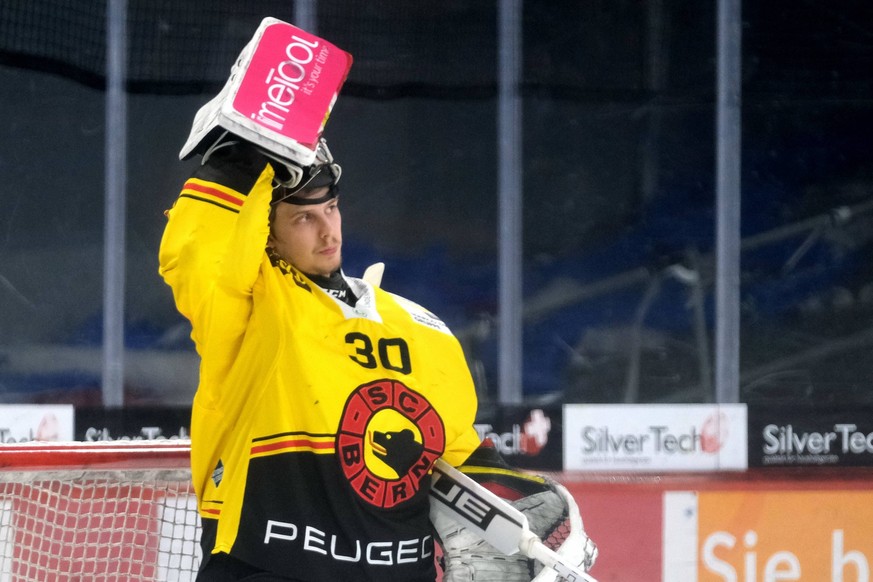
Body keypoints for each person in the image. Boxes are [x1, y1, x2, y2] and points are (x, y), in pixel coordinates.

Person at [160, 131, 594, 581]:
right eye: (303, 218)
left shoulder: (421, 327)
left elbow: (454, 452)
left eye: (331, 208)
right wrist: (242, 158)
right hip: (268, 567)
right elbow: (201, 257)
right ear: (266, 237)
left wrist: (510, 498)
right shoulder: (255, 308)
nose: (328, 231)